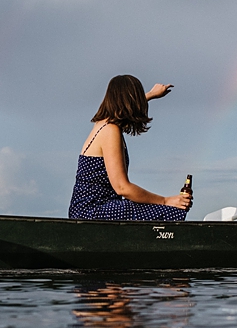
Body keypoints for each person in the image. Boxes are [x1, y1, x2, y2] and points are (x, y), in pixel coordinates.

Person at [68, 75, 192, 221]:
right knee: (168, 210)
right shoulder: (110, 131)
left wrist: (151, 95)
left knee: (148, 206)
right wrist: (165, 201)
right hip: (92, 211)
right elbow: (122, 188)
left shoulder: (103, 123)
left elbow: (124, 109)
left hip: (86, 209)